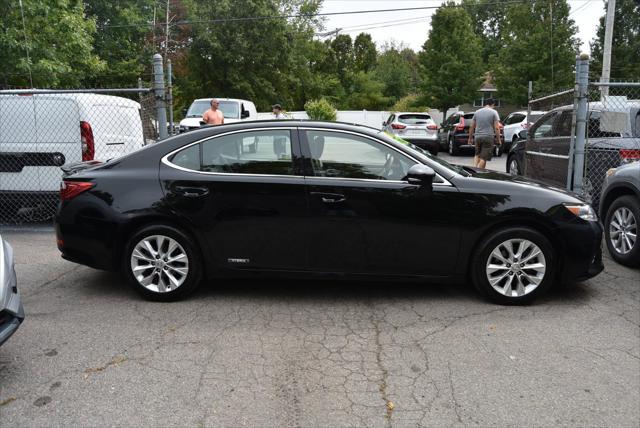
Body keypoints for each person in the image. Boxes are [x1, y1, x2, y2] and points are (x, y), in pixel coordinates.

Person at [468, 98, 501, 169]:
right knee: (484, 157)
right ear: (492, 104)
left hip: (477, 137)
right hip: (488, 137)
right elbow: (497, 128)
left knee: (477, 155)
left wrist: (470, 138)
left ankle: (475, 169)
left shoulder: (477, 112)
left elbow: (471, 126)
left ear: (485, 103)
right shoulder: (494, 112)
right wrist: (498, 139)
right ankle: (476, 172)